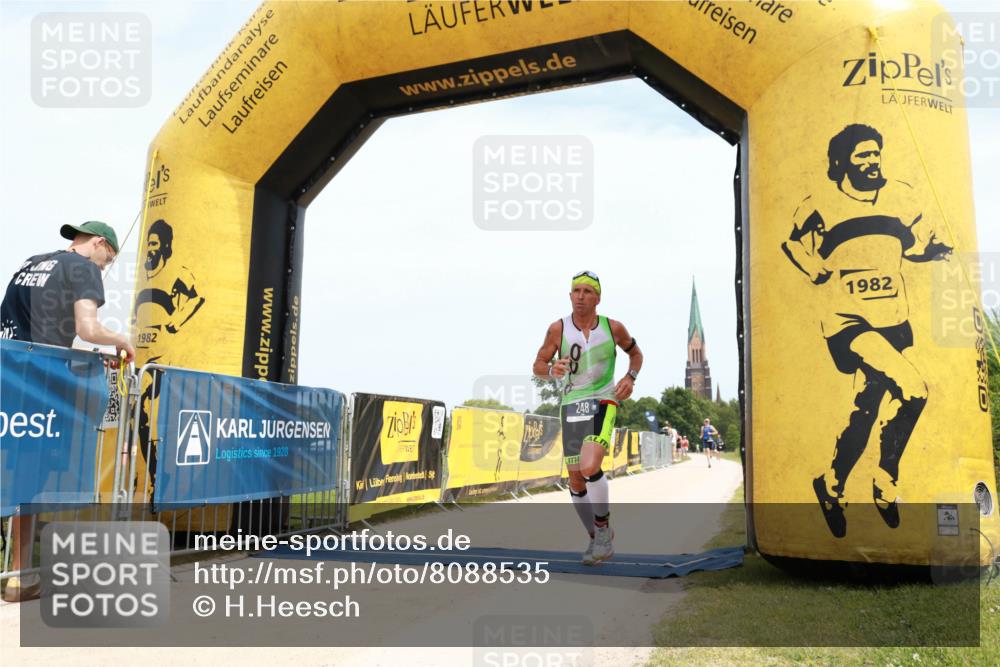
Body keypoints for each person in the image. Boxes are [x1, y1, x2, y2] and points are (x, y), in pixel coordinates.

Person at [782, 123, 951, 538]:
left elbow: (910, 248)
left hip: (893, 320)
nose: (872, 161)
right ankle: (885, 480)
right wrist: (811, 265)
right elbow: (792, 242)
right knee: (914, 388)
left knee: (864, 410)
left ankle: (831, 484)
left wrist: (933, 252)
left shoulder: (902, 196)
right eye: (862, 155)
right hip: (848, 322)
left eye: (876, 153)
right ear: (841, 162)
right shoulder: (820, 202)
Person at [1, 220, 135, 602]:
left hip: (8, 378)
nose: (104, 267)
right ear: (97, 244)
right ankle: (21, 576)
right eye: (107, 260)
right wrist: (120, 340)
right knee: (30, 482)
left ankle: (18, 574)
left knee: (11, 477)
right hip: (40, 390)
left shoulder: (30, 264)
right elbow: (87, 327)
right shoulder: (83, 269)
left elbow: (23, 330)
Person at [533, 270, 643, 564]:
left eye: (587, 291)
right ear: (570, 296)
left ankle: (603, 532)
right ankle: (598, 540)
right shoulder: (558, 329)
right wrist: (551, 370)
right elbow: (538, 365)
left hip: (603, 400)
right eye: (576, 291)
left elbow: (636, 355)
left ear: (598, 298)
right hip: (571, 404)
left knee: (590, 464)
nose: (580, 296)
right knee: (575, 480)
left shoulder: (613, 327)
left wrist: (630, 378)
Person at [131, 218, 205, 496]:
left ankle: (157, 480)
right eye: (147, 243)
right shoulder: (144, 275)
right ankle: (147, 477)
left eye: (154, 244)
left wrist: (176, 321)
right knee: (137, 420)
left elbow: (196, 298)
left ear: (165, 246)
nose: (149, 249)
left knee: (148, 418)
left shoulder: (177, 272)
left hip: (161, 360)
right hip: (139, 358)